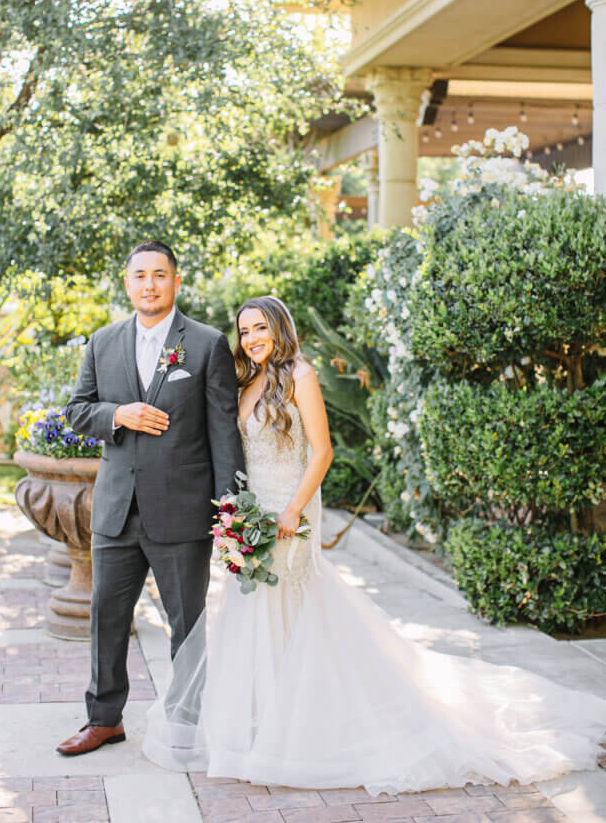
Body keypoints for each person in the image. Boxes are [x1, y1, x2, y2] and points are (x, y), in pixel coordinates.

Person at [143, 294, 606, 794]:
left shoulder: (300, 375)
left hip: (290, 509)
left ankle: (297, 725)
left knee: (288, 606)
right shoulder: (247, 379)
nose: (252, 338)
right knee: (252, 607)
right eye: (245, 330)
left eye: (261, 328)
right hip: (252, 511)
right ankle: (260, 722)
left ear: (280, 326)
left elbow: (322, 452)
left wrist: (295, 508)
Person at [56, 240, 244, 756]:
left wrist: (230, 513)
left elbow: (224, 434)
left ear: (175, 282)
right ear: (127, 282)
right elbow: (76, 410)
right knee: (107, 617)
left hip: (182, 511)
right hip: (116, 511)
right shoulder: (102, 341)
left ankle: (186, 721)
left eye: (159, 275)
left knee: (187, 623)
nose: (149, 284)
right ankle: (103, 719)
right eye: (140, 275)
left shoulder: (206, 345)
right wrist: (118, 414)